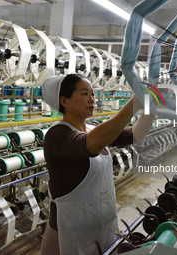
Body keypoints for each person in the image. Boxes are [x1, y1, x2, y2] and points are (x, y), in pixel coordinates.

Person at [40, 73, 154, 255]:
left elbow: (136, 134)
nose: (92, 99)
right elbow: (90, 145)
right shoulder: (57, 135)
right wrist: (133, 105)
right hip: (69, 236)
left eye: (93, 94)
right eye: (85, 94)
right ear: (65, 101)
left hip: (104, 229)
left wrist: (151, 108)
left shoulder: (93, 128)